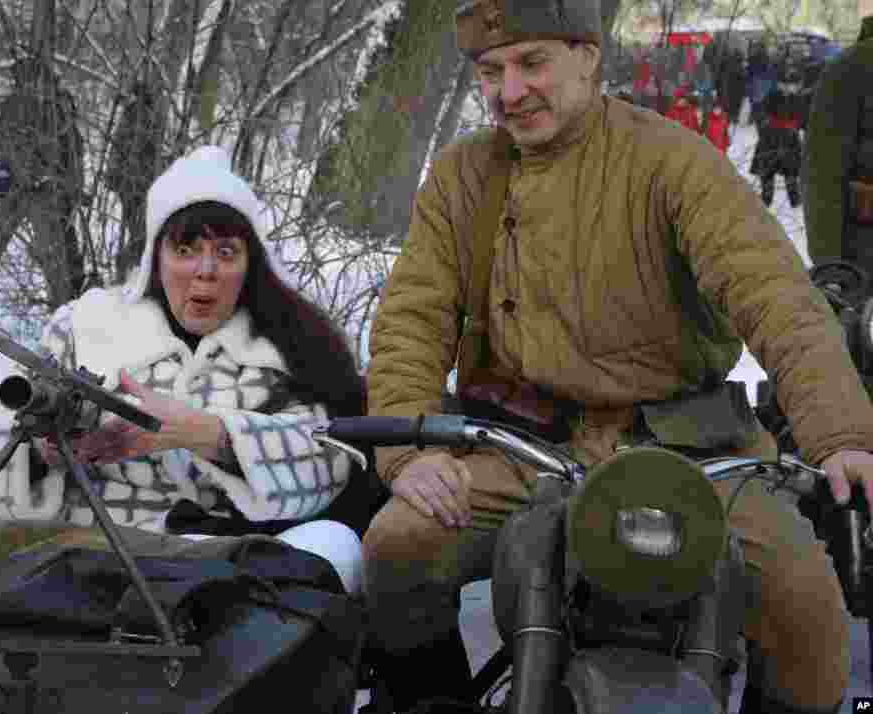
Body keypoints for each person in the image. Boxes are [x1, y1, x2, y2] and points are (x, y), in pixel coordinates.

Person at [364, 1, 873, 713]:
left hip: (682, 450)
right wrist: (411, 448)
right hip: (522, 446)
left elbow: (778, 296)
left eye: (531, 63)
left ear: (588, 56)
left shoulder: (672, 160)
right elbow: (409, 324)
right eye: (491, 71)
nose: (510, 92)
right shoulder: (461, 179)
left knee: (807, 605)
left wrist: (844, 436)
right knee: (396, 548)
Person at [0, 146, 373, 595]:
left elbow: (329, 468)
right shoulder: (84, 326)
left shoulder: (288, 346)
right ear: (156, 257)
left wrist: (207, 435)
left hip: (217, 572)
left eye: (226, 252)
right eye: (186, 249)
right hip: (73, 563)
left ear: (251, 264)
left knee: (331, 548)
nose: (205, 271)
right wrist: (40, 453)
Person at [803, 15, 873, 274]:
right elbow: (824, 174)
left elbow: (822, 174)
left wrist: (828, 261)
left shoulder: (847, 67)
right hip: (860, 251)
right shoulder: (851, 69)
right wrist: (830, 263)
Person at [751, 66, 806, 208]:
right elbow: (760, 113)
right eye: (785, 84)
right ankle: (766, 197)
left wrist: (797, 127)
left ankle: (794, 199)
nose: (788, 88)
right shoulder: (771, 96)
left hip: (790, 139)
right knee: (768, 170)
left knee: (791, 171)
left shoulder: (798, 99)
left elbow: (803, 118)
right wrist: (766, 128)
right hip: (771, 138)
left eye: (792, 85)